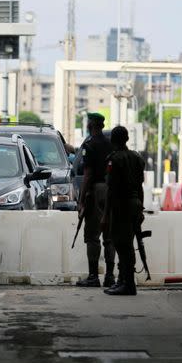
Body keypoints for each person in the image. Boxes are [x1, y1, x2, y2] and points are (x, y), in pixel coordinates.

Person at [101, 126, 145, 296]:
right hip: (134, 204)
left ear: (113, 140)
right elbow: (140, 186)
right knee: (128, 243)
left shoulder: (114, 159)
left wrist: (105, 215)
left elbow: (111, 190)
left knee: (121, 244)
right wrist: (140, 207)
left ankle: (127, 284)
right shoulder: (136, 157)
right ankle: (124, 281)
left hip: (121, 206)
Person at [76, 112, 115, 288]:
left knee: (92, 235)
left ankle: (93, 276)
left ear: (91, 124)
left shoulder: (89, 145)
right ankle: (109, 276)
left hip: (96, 191)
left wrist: (81, 199)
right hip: (111, 191)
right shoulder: (110, 144)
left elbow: (88, 174)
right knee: (109, 236)